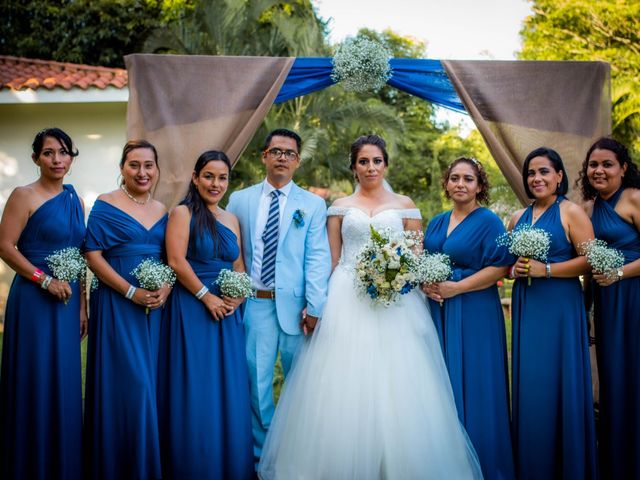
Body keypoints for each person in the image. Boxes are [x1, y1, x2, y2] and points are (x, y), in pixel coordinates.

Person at [258, 134, 483, 479]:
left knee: (399, 380)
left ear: (385, 164)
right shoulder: (340, 206)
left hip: (397, 301)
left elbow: (416, 255)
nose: (370, 167)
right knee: (342, 379)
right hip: (346, 297)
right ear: (354, 167)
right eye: (363, 161)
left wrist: (396, 275)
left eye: (376, 160)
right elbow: (330, 260)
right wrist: (316, 304)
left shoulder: (405, 204)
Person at [226, 128, 331, 466]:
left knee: (301, 384)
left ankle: (297, 454)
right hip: (254, 303)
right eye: (276, 151)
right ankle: (263, 457)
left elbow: (317, 257)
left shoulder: (313, 204)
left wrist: (315, 306)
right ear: (265, 156)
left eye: (289, 153)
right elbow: (230, 250)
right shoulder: (239, 200)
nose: (282, 157)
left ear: (297, 161)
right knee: (256, 385)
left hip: (297, 308)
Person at [158, 150, 253, 479]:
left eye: (222, 177)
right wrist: (206, 297)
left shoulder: (231, 219)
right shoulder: (182, 213)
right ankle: (193, 464)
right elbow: (175, 261)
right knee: (195, 387)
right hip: (192, 308)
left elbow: (238, 264)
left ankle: (226, 464)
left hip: (227, 312)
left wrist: (238, 296)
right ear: (196, 178)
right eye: (209, 176)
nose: (216, 183)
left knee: (227, 388)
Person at [0, 128, 86, 480]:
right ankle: (27, 461)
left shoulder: (75, 199)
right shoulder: (24, 195)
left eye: (64, 152)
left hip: (68, 304)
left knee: (63, 379)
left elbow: (80, 256)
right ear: (36, 158)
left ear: (71, 157)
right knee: (33, 376)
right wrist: (45, 280)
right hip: (34, 302)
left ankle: (60, 460)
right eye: (49, 153)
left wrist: (83, 306)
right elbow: (6, 247)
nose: (57, 160)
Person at [423, 157, 514, 480]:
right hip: (438, 308)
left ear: (479, 185)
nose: (460, 184)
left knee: (476, 379)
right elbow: (424, 259)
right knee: (440, 379)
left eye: (468, 179)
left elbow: (501, 266)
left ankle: (484, 460)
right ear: (446, 183)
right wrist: (426, 283)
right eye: (455, 178)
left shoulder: (489, 221)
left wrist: (457, 287)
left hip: (475, 309)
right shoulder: (436, 222)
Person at [508, 147, 597, 479]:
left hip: (560, 306)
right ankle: (533, 465)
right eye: (531, 173)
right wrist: (515, 269)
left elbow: (590, 260)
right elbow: (509, 266)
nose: (537, 178)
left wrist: (546, 269)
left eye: (544, 171)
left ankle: (567, 465)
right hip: (527, 306)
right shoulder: (517, 218)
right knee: (531, 384)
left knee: (560, 382)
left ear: (559, 176)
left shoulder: (571, 212)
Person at [83, 140, 170, 479]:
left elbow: (170, 257)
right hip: (116, 303)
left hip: (156, 308)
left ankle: (147, 461)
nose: (142, 172)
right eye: (134, 165)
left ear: (157, 169)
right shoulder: (106, 204)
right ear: (122, 168)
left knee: (151, 384)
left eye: (149, 165)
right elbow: (92, 254)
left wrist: (166, 284)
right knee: (128, 385)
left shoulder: (164, 209)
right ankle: (118, 464)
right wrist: (130, 291)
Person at [578, 137, 640, 479]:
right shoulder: (586, 209)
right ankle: (618, 463)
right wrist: (585, 306)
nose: (598, 171)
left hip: (635, 298)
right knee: (613, 379)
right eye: (593, 165)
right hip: (606, 303)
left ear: (623, 168)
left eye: (607, 164)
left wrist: (618, 273)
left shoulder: (633, 199)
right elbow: (588, 266)